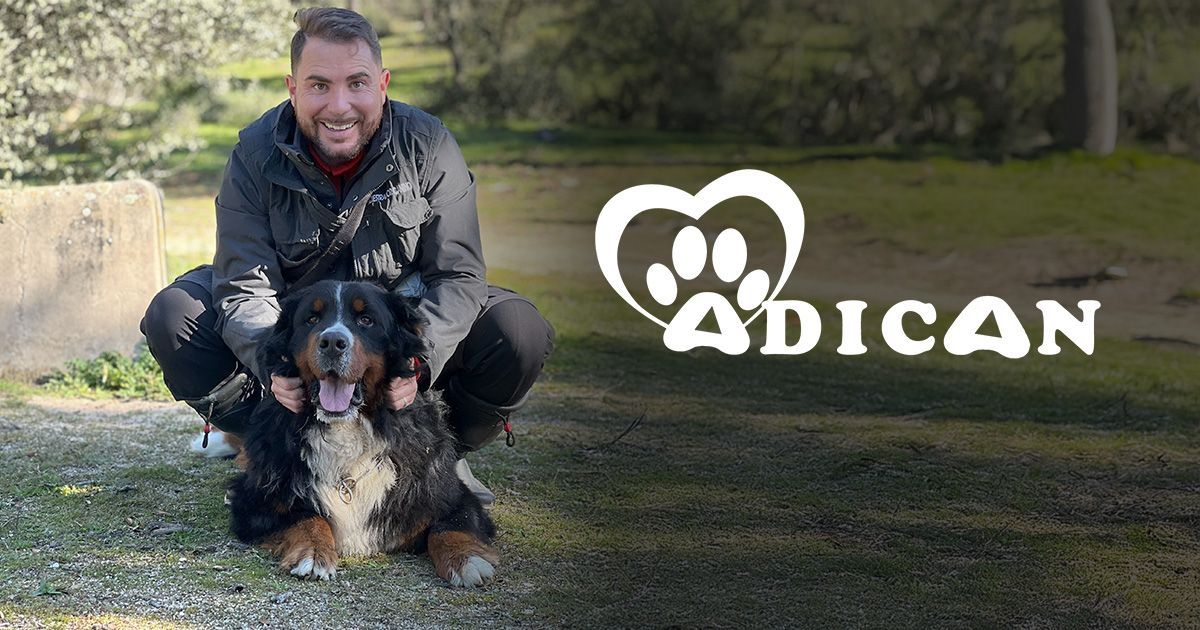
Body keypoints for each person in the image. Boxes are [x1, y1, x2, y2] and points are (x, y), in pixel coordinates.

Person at [140, 7, 555, 506]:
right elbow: (245, 284)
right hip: (298, 338)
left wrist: (418, 361)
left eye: (356, 83)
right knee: (174, 317)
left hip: (392, 339)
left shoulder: (430, 144)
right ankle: (271, 450)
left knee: (519, 332)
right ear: (292, 88)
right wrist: (277, 367)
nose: (339, 106)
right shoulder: (252, 152)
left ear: (382, 84)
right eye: (319, 85)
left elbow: (458, 275)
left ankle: (440, 455)